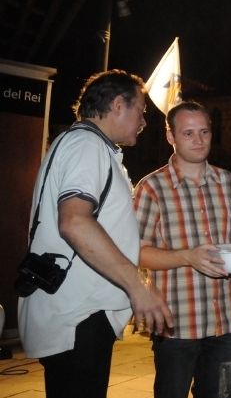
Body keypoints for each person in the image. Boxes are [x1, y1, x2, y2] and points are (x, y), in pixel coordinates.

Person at [18, 69, 173, 398]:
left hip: (79, 314)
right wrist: (137, 286)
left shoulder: (84, 145)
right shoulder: (86, 146)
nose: (144, 122)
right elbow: (74, 221)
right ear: (118, 105)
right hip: (80, 317)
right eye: (140, 111)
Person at [133, 100, 231, 398]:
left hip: (227, 319)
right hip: (177, 322)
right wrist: (187, 257)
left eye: (204, 132)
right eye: (188, 133)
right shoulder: (151, 188)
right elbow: (136, 252)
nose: (198, 140)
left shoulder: (229, 182)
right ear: (170, 137)